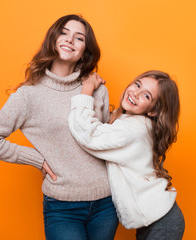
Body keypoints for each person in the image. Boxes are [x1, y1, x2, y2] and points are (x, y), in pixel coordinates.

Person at [0, 14, 118, 240]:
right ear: (53, 39)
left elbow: (102, 138)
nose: (70, 40)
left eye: (79, 38)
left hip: (107, 203)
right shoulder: (28, 96)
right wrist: (36, 159)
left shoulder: (96, 88)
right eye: (64, 33)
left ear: (85, 51)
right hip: (63, 208)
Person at [68, 70, 185, 240]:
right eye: (137, 84)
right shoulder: (129, 122)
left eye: (146, 96)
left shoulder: (135, 129)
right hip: (157, 218)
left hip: (162, 221)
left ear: (153, 111)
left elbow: (88, 134)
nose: (135, 93)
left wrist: (87, 89)